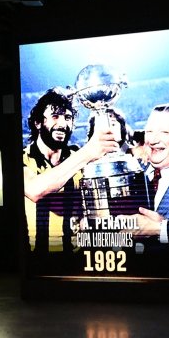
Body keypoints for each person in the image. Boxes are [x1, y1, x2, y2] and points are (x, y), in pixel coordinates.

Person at [21, 89, 118, 252]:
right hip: (35, 261)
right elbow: (34, 190)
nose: (62, 124)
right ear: (38, 122)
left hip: (76, 259)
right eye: (55, 116)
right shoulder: (22, 157)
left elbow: (100, 210)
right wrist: (88, 152)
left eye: (68, 117)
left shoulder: (79, 158)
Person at [133, 103, 169, 244]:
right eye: (149, 131)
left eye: (165, 132)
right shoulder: (135, 175)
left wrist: (161, 229)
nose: (152, 140)